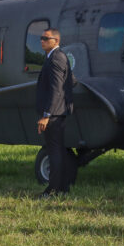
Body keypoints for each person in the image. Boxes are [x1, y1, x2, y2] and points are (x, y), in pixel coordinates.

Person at [35, 27, 75, 198]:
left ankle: (53, 190)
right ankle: (62, 187)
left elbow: (56, 89)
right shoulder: (57, 57)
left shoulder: (56, 58)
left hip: (54, 114)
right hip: (59, 111)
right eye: (41, 38)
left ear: (56, 41)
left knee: (54, 152)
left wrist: (47, 115)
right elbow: (71, 80)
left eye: (46, 38)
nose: (42, 41)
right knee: (58, 150)